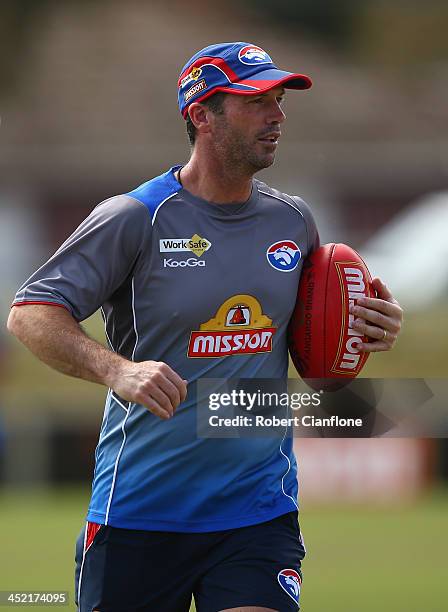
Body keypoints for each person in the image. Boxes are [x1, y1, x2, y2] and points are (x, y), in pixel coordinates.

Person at [7, 42, 403, 612]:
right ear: (201, 116)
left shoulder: (294, 220)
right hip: (140, 511)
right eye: (257, 100)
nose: (278, 115)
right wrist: (116, 370)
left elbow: (318, 366)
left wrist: (366, 329)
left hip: (258, 514)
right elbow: (30, 314)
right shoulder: (135, 217)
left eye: (280, 99)